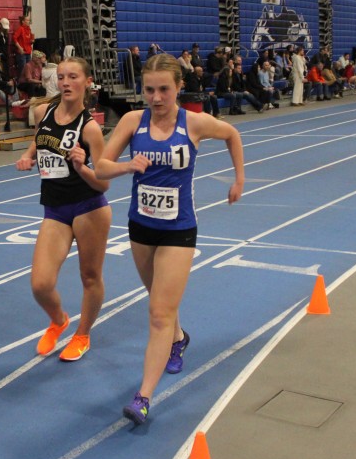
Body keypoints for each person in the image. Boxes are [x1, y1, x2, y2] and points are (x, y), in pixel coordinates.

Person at [94, 54, 244, 425]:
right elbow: (101, 168)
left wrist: (239, 179)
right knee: (159, 299)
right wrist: (128, 165)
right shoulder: (133, 121)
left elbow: (232, 134)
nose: (156, 97)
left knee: (159, 312)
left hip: (179, 229)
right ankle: (178, 339)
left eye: (164, 89)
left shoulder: (194, 123)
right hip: (141, 226)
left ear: (179, 87)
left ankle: (143, 397)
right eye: (149, 90)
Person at [15, 56, 111, 362]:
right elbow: (40, 138)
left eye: (73, 77)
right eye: (61, 77)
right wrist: (29, 155)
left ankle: (82, 334)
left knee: (90, 277)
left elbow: (103, 184)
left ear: (87, 82)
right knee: (40, 284)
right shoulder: (42, 112)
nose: (66, 82)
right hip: (55, 208)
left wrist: (82, 167)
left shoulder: (90, 128)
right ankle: (59, 320)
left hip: (88, 207)